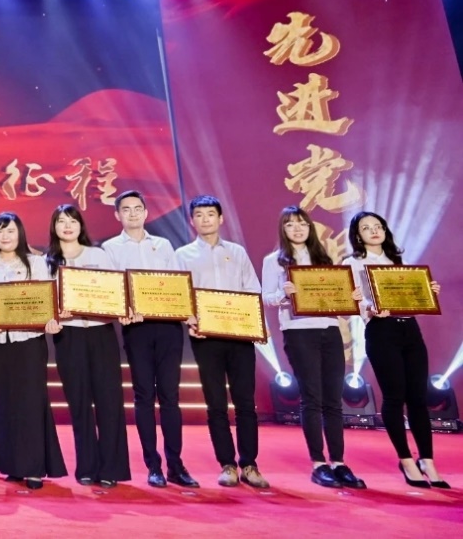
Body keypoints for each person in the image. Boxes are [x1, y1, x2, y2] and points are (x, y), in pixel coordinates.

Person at [261, 206, 366, 489]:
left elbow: (336, 298)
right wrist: (283, 294)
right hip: (298, 332)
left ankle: (339, 463)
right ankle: (319, 464)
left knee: (333, 399)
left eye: (302, 224)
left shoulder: (324, 258)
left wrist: (351, 297)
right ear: (283, 229)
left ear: (310, 228)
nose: (297, 229)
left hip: (330, 329)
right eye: (290, 224)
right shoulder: (274, 261)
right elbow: (266, 297)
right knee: (312, 398)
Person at [344, 211, 449, 489]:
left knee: (418, 397)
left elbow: (410, 297)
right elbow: (353, 301)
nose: (374, 231)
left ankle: (427, 460)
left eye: (378, 226)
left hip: (410, 329)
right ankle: (406, 460)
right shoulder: (353, 263)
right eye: (366, 228)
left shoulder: (398, 262)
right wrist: (369, 308)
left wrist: (426, 293)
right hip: (382, 331)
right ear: (357, 235)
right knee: (394, 397)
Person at [101, 190, 199, 488]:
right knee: (144, 396)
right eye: (126, 209)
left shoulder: (163, 244)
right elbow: (112, 288)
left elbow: (176, 284)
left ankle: (176, 465)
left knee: (170, 396)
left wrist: (187, 312)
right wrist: (123, 310)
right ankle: (152, 465)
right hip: (137, 329)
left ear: (145, 213)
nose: (132, 213)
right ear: (117, 215)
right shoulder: (109, 248)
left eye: (137, 208)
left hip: (169, 326)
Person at [175, 195, 268, 489]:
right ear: (192, 221)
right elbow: (179, 296)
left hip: (239, 337)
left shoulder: (237, 252)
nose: (205, 219)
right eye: (199, 215)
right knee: (216, 403)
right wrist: (189, 319)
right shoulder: (182, 255)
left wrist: (249, 322)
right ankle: (227, 464)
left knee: (245, 403)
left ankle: (250, 464)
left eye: (210, 214)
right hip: (206, 338)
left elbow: (252, 290)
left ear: (221, 218)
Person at [0, 212, 66, 490]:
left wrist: (51, 318)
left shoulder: (36, 263)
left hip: (29, 340)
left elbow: (47, 298)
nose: (5, 236)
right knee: (5, 401)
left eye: (11, 231)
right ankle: (11, 465)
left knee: (31, 401)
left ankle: (34, 468)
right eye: (0, 231)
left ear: (20, 234)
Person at [47, 204, 131, 488]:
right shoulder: (47, 262)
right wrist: (51, 318)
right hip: (68, 336)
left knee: (109, 400)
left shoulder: (98, 255)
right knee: (79, 402)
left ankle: (111, 468)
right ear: (54, 227)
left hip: (101, 333)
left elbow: (117, 291)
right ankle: (86, 465)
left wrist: (121, 309)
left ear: (81, 225)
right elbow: (43, 301)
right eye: (61, 221)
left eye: (72, 221)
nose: (67, 226)